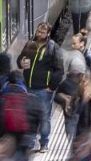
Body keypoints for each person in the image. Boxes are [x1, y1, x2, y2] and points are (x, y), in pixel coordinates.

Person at [19, 22, 63, 153]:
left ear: (48, 34)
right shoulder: (30, 44)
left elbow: (59, 69)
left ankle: (44, 142)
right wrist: (21, 63)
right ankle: (31, 142)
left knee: (44, 117)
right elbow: (20, 59)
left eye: (43, 33)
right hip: (29, 88)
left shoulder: (53, 48)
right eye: (38, 31)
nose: (39, 34)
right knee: (30, 116)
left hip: (44, 90)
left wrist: (52, 86)